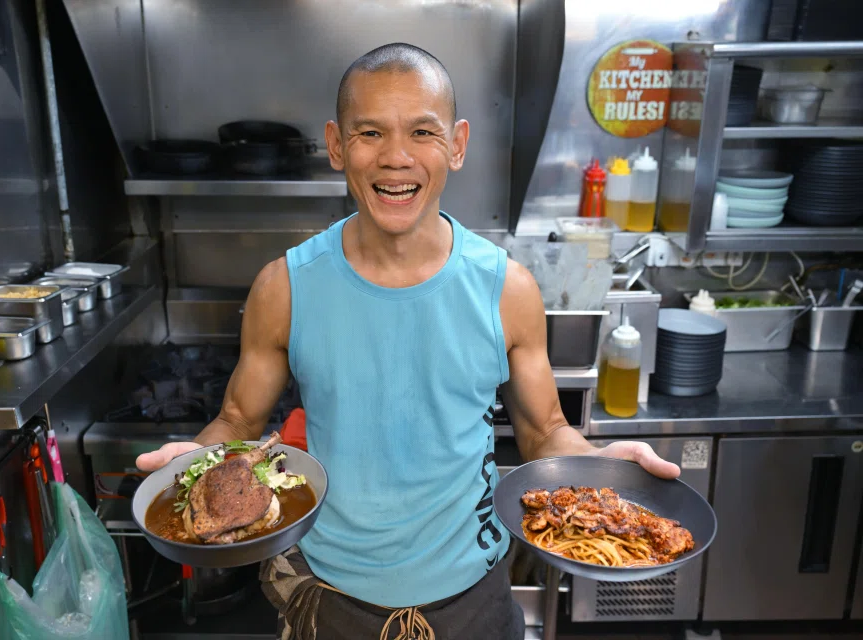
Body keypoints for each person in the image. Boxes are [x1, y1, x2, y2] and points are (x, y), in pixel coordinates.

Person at [137, 43, 680, 640]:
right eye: (370, 132)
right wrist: (191, 467)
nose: (396, 158)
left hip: (473, 598)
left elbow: (544, 430)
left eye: (423, 132)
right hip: (330, 598)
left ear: (457, 144)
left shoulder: (508, 289)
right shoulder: (284, 287)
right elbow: (238, 421)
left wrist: (596, 467)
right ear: (337, 145)